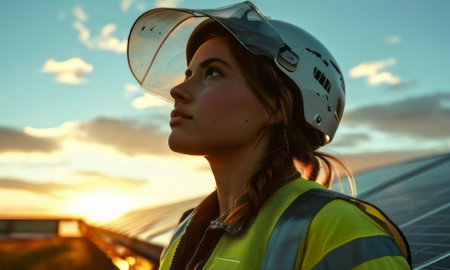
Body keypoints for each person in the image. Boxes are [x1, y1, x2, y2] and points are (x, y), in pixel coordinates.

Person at [127, 1, 411, 269]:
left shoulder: (339, 229)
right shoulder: (184, 234)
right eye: (188, 75)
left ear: (277, 106)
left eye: (212, 73)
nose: (178, 90)